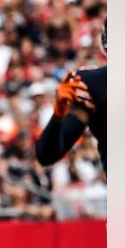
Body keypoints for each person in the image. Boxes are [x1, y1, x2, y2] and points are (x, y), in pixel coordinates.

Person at [37, 24, 107, 169]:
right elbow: (46, 155)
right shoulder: (89, 84)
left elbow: (46, 155)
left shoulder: (89, 82)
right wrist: (58, 115)